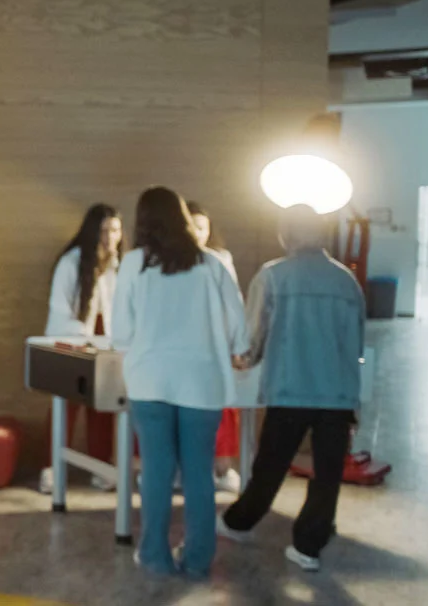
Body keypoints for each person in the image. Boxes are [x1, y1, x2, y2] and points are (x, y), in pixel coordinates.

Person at [217, 205, 364, 573]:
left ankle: (240, 522)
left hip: (290, 387)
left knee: (271, 464)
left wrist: (243, 361)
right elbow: (357, 343)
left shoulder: (273, 276)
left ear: (286, 234)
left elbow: (253, 337)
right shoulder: (347, 280)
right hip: (337, 393)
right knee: (328, 474)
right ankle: (308, 547)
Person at [112, 186, 247, 579]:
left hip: (149, 381)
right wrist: (236, 347)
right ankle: (198, 558)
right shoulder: (213, 264)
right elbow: (239, 326)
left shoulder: (134, 264)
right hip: (202, 383)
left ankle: (154, 555)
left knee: (156, 471)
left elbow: (121, 332)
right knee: (198, 473)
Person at [40, 204, 123, 494]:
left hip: (108, 347)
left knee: (103, 407)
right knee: (65, 408)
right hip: (71, 344)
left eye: (114, 230)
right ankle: (50, 469)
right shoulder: (71, 262)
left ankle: (102, 468)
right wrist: (85, 337)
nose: (109, 237)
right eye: (103, 231)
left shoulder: (121, 265)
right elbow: (60, 310)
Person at [188, 201, 244, 492]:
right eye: (192, 226)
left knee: (222, 409)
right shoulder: (162, 262)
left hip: (215, 348)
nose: (197, 233)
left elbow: (234, 307)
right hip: (183, 353)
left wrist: (238, 346)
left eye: (202, 227)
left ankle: (223, 468)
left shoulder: (220, 260)